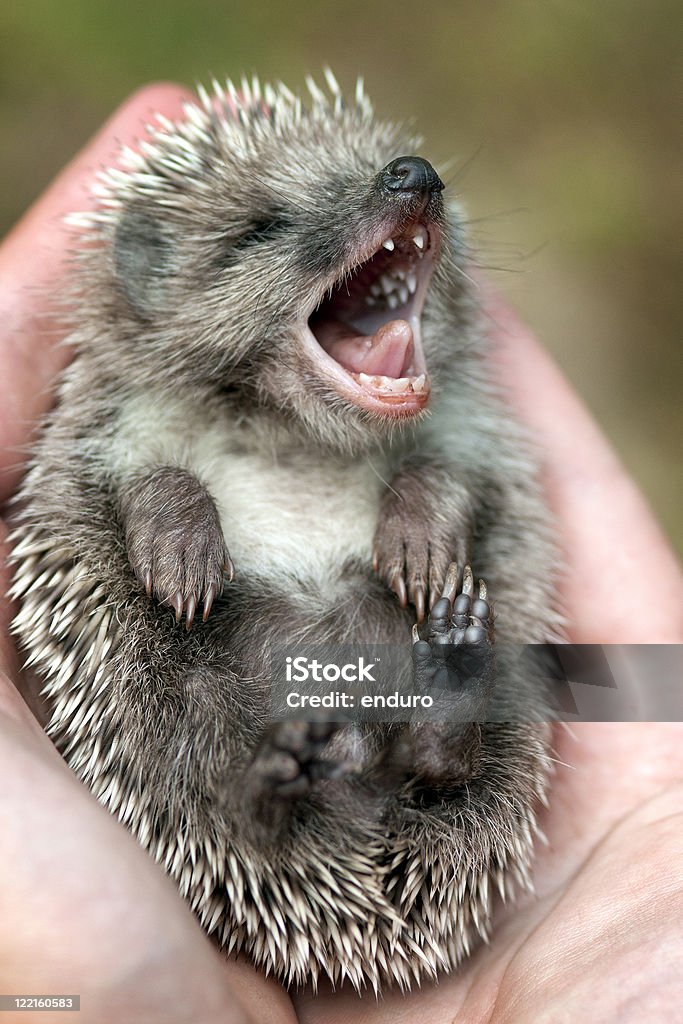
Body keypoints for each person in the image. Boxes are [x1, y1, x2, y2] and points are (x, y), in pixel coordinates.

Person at [0, 85, 681, 1024]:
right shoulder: (139, 424)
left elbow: (474, 491)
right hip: (238, 719)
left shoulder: (440, 428)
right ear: (151, 281)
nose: (409, 195)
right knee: (199, 677)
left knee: (440, 588)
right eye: (269, 228)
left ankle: (431, 735)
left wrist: (424, 498)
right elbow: (106, 515)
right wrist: (165, 501)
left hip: (362, 678)